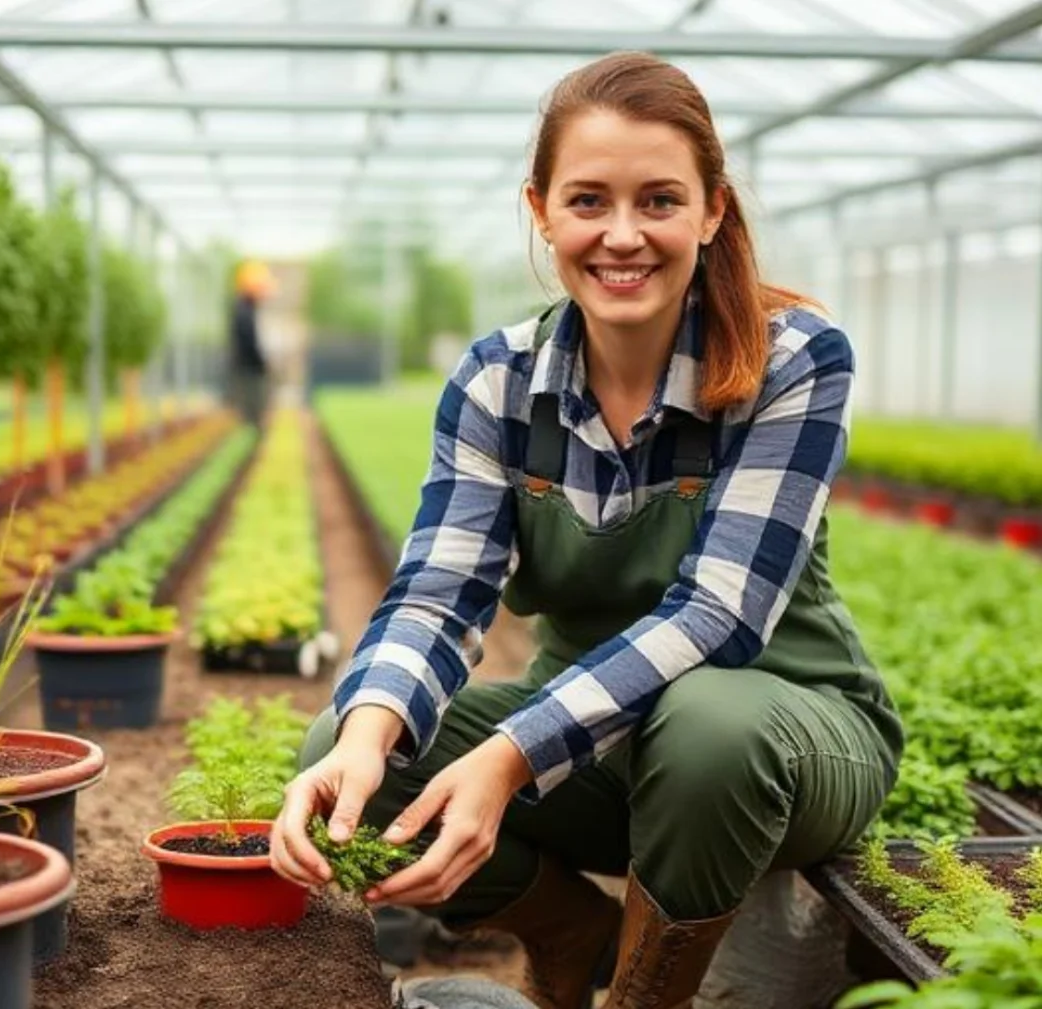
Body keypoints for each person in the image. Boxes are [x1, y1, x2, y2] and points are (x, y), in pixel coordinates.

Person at [274, 52, 903, 1009]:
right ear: (541, 210)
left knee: (707, 726)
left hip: (785, 742)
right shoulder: (500, 381)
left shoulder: (791, 359)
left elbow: (719, 616)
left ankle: (643, 998)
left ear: (711, 210)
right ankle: (568, 928)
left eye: (658, 200)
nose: (622, 235)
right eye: (588, 201)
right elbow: (439, 594)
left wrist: (509, 754)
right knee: (347, 747)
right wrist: (367, 733)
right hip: (597, 750)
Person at [228, 259, 274, 426]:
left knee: (253, 413)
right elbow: (249, 343)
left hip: (248, 367)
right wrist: (262, 362)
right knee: (252, 414)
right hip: (249, 369)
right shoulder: (244, 311)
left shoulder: (246, 308)